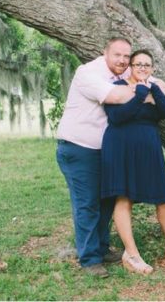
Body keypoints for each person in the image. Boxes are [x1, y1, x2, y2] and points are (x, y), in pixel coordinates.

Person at [101, 50, 165, 274]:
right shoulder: (117, 86)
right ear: (130, 66)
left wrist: (154, 89)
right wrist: (140, 94)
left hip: (148, 147)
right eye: (138, 64)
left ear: (152, 69)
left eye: (147, 65)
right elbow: (117, 117)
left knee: (164, 198)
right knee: (124, 197)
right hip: (121, 147)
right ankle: (132, 254)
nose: (142, 68)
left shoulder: (154, 86)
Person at [55, 37, 136, 277]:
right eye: (117, 55)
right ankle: (90, 259)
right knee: (87, 203)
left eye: (126, 56)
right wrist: (142, 89)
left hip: (104, 151)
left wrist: (145, 85)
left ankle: (100, 247)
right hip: (79, 148)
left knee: (106, 200)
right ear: (105, 53)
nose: (122, 60)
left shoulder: (124, 71)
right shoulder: (87, 73)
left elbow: (161, 85)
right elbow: (117, 97)